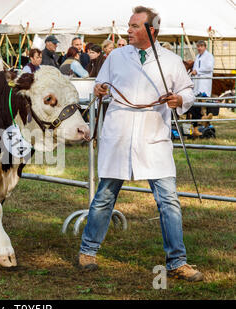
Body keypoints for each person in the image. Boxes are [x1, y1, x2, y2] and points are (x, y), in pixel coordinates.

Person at [77, 6, 203, 282]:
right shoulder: (116, 57)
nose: (129, 30)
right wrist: (98, 89)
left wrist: (178, 100)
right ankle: (87, 250)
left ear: (151, 30)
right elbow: (100, 84)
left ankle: (177, 261)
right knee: (104, 196)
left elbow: (187, 92)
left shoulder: (170, 60)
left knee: (169, 200)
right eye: (129, 25)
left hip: (153, 137)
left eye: (135, 26)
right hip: (119, 133)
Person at [189, 40, 215, 137]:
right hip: (197, 84)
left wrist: (198, 71)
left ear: (205, 47)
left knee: (203, 103)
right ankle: (202, 120)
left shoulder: (209, 56)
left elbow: (209, 68)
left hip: (204, 84)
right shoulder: (197, 57)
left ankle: (205, 121)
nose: (199, 48)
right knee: (197, 105)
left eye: (200, 46)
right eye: (198, 47)